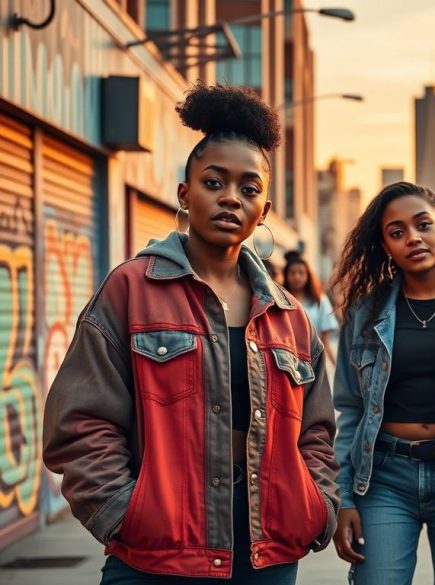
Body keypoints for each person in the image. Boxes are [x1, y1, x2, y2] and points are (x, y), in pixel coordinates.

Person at [41, 82, 339, 584]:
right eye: (214, 182)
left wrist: (316, 505)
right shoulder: (131, 289)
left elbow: (317, 432)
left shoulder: (290, 316)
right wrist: (126, 513)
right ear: (185, 193)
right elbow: (79, 424)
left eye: (249, 189)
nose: (231, 198)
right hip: (155, 557)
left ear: (263, 211)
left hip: (266, 556)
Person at [329, 181, 435, 585]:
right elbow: (350, 408)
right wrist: (343, 499)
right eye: (397, 232)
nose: (413, 238)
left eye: (423, 224)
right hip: (386, 475)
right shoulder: (365, 312)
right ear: (385, 246)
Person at [284, 254, 340, 364]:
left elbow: (325, 342)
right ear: (286, 275)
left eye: (301, 272)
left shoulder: (320, 300)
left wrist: (336, 367)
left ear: (308, 275)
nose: (297, 276)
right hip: (286, 360)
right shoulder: (280, 300)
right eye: (292, 273)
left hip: (313, 359)